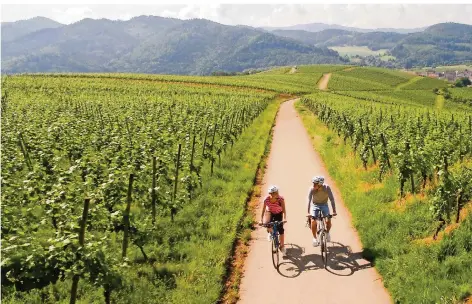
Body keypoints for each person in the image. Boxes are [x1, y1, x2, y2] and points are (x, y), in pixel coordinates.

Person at [307, 176, 337, 247]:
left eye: (315, 184)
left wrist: (334, 210)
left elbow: (332, 199)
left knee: (328, 220)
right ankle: (314, 238)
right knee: (313, 220)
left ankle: (327, 233)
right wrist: (308, 212)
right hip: (315, 205)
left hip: (324, 205)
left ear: (320, 184)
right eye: (313, 183)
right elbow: (309, 200)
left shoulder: (327, 188)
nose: (313, 185)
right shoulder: (312, 189)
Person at [260, 185, 287, 254]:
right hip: (270, 212)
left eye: (277, 192)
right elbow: (263, 210)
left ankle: (282, 246)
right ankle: (270, 233)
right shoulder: (266, 200)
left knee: (280, 229)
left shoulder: (280, 199)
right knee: (267, 224)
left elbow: (284, 210)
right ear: (271, 194)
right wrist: (261, 220)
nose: (278, 194)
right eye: (276, 193)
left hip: (279, 213)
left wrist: (284, 218)